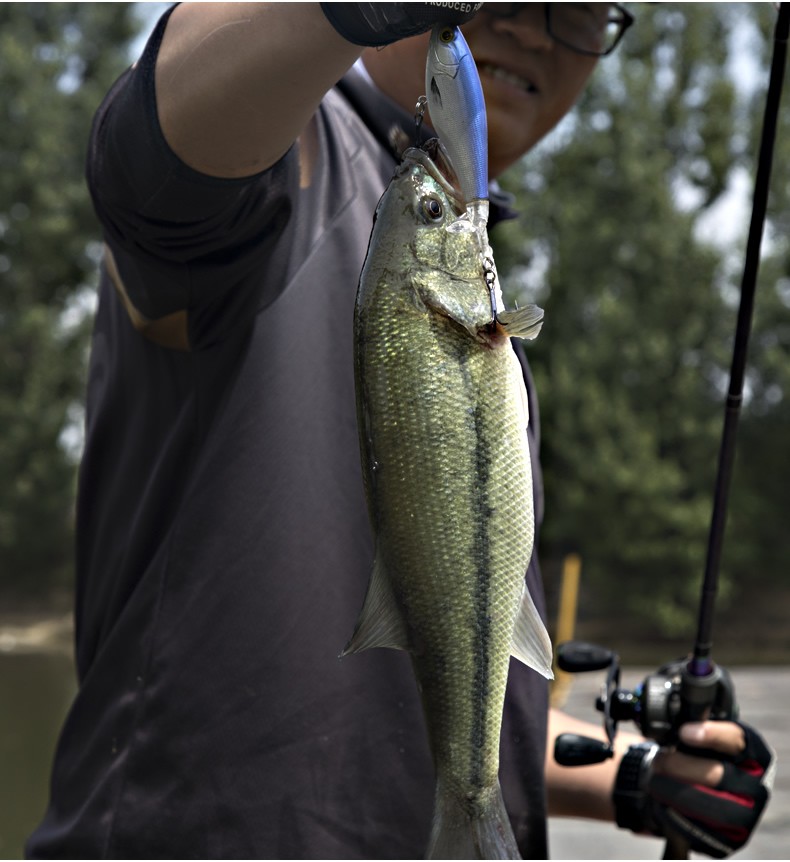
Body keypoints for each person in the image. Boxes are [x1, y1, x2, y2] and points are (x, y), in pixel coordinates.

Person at [28, 4, 772, 859]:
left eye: (580, 12)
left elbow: (435, 682)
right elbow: (154, 153)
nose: (534, 29)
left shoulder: (469, 279)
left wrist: (634, 782)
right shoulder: (289, 147)